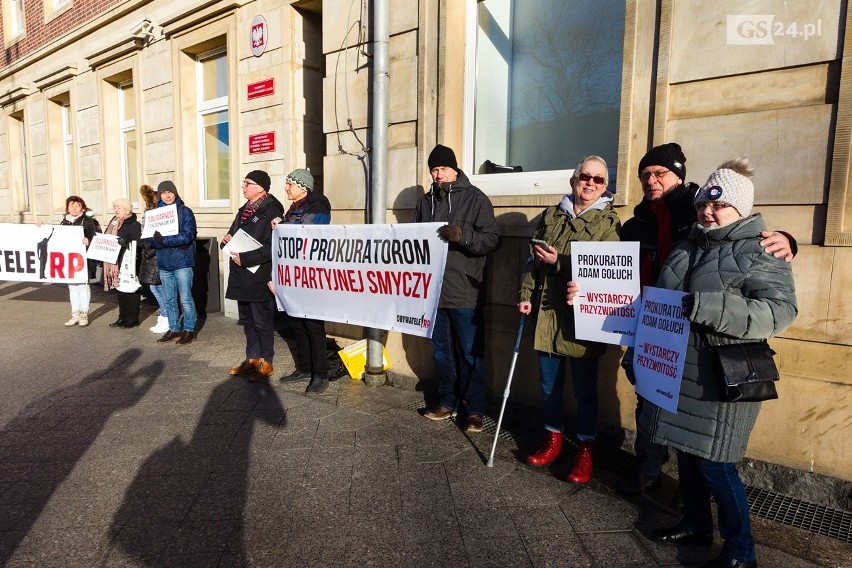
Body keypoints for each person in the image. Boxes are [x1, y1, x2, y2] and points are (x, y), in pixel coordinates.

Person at [567, 142, 796, 495]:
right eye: (645, 174)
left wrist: (787, 239)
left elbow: (742, 234)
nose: (651, 180)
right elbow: (605, 270)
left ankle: (693, 506)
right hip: (650, 323)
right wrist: (584, 292)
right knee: (649, 396)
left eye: (660, 173)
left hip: (698, 338)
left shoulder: (699, 212)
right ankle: (648, 471)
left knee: (701, 440)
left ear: (679, 176)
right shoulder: (636, 222)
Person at [633, 158, 797, 568]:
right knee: (687, 455)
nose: (708, 211)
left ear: (740, 210)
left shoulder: (762, 248)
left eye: (719, 206)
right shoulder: (691, 242)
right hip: (682, 372)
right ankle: (696, 524)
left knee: (717, 465)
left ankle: (742, 550)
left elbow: (779, 312)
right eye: (705, 202)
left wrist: (706, 306)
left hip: (724, 377)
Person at [518, 156, 620, 483]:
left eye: (598, 180)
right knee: (549, 387)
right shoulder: (551, 216)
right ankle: (553, 440)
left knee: (585, 391)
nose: (590, 183)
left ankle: (585, 450)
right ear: (574, 180)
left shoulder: (610, 224)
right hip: (548, 315)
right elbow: (532, 261)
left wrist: (560, 262)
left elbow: (609, 275)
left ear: (605, 186)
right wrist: (524, 295)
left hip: (584, 321)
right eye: (585, 177)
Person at [415, 144, 500, 433]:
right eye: (433, 170)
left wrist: (463, 236)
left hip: (465, 291)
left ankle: (474, 408)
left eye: (442, 168)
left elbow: (491, 239)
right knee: (441, 352)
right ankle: (447, 401)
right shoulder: (425, 202)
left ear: (455, 168)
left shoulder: (476, 199)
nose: (438, 175)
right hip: (434, 292)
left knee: (470, 352)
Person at [270, 168, 332, 393]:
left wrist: (283, 226)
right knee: (296, 322)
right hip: (293, 277)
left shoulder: (319, 204)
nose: (286, 188)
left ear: (303, 187)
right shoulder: (293, 208)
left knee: (313, 326)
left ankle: (321, 375)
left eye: (290, 184)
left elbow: (311, 232)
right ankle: (305, 368)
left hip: (312, 276)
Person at [224, 170, 285, 381]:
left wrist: (247, 259)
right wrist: (228, 238)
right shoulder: (245, 209)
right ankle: (252, 359)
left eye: (247, 183)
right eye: (243, 182)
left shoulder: (272, 211)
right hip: (241, 274)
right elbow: (237, 232)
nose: (243, 186)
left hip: (259, 274)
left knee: (262, 322)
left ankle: (266, 362)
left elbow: (274, 247)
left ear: (260, 188)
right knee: (248, 321)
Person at [149, 180, 199, 345]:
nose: (167, 195)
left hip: (182, 262)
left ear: (175, 193)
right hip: (164, 264)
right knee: (170, 299)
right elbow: (152, 239)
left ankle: (189, 330)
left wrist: (164, 240)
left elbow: (187, 236)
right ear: (159, 195)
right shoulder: (155, 214)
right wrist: (158, 241)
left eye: (170, 192)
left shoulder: (185, 212)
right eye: (163, 193)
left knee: (185, 298)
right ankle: (173, 328)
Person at [52, 196, 98, 327]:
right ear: (67, 208)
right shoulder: (64, 222)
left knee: (83, 286)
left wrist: (88, 241)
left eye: (77, 206)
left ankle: (84, 315)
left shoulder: (88, 221)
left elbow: (96, 237)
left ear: (82, 208)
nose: (73, 208)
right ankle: (75, 314)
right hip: (69, 260)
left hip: (83, 260)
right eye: (71, 205)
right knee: (72, 287)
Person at [104, 198, 143, 328]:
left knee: (130, 289)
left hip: (129, 262)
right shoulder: (114, 223)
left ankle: (132, 318)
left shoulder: (134, 225)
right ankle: (122, 317)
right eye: (115, 207)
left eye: (119, 207)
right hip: (116, 261)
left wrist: (124, 243)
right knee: (120, 290)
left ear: (127, 211)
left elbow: (138, 243)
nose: (116, 210)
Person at [138, 184, 169, 334]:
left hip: (156, 252)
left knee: (158, 287)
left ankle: (166, 317)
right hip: (150, 251)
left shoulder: (159, 213)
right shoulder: (148, 213)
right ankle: (164, 316)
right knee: (155, 287)